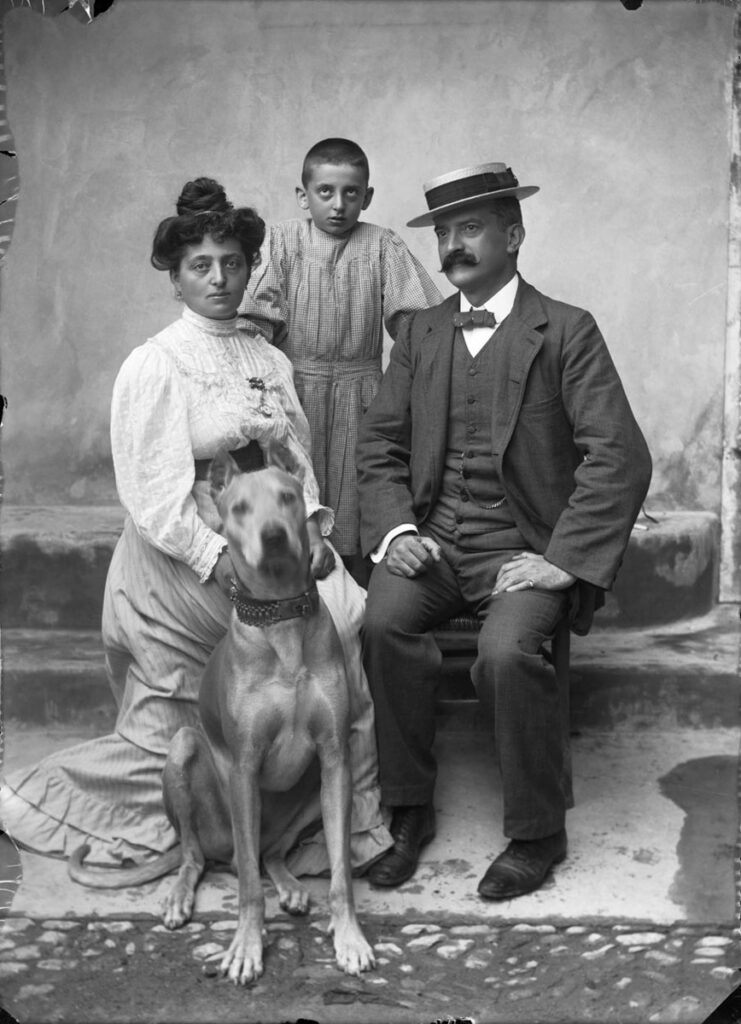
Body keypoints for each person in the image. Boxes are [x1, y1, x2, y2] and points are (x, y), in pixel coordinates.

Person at [0, 177, 391, 877]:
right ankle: (103, 810)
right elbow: (152, 498)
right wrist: (221, 560)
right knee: (183, 724)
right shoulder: (155, 363)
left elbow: (293, 463)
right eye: (200, 267)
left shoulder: (268, 359)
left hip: (265, 544)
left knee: (344, 618)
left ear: (249, 268)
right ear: (174, 278)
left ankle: (337, 827)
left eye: (233, 263)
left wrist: (312, 538)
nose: (220, 278)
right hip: (180, 557)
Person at [356, 162, 652, 898]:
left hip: (523, 548)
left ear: (513, 235)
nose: (453, 244)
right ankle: (407, 808)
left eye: (471, 228)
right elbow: (377, 447)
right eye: (444, 232)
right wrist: (395, 533)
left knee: (504, 651)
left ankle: (535, 831)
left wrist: (562, 560)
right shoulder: (420, 333)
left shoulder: (566, 331)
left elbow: (618, 454)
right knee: (383, 623)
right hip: (435, 540)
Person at [238, 138, 442, 583]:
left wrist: (410, 391)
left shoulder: (382, 244)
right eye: (325, 192)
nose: (338, 205)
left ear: (367, 197)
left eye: (352, 193)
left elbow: (419, 327)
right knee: (292, 498)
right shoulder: (283, 241)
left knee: (359, 502)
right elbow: (254, 325)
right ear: (302, 195)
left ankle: (358, 614)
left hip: (364, 394)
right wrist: (260, 391)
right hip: (294, 395)